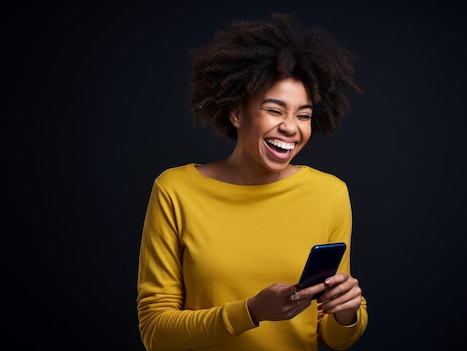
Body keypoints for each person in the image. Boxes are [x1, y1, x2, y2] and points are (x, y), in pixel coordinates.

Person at [136, 12, 368, 351]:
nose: (292, 127)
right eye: (275, 110)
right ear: (236, 113)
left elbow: (331, 336)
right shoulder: (175, 190)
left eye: (303, 115)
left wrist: (347, 315)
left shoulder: (330, 193)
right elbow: (156, 334)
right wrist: (252, 312)